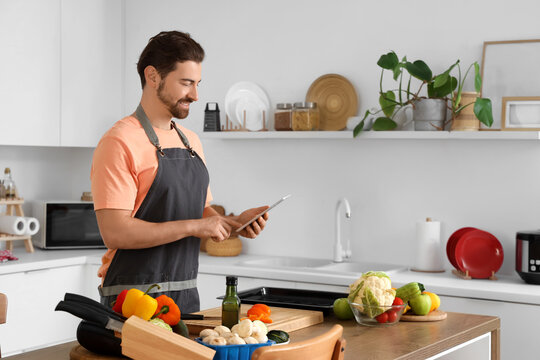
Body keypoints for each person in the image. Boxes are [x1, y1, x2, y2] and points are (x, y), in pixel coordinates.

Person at [91, 31, 268, 313]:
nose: (195, 95)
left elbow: (198, 212)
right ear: (153, 77)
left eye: (197, 84)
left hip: (185, 296)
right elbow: (115, 232)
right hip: (133, 299)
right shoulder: (119, 141)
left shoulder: (191, 142)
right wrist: (198, 227)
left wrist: (233, 223)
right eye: (186, 83)